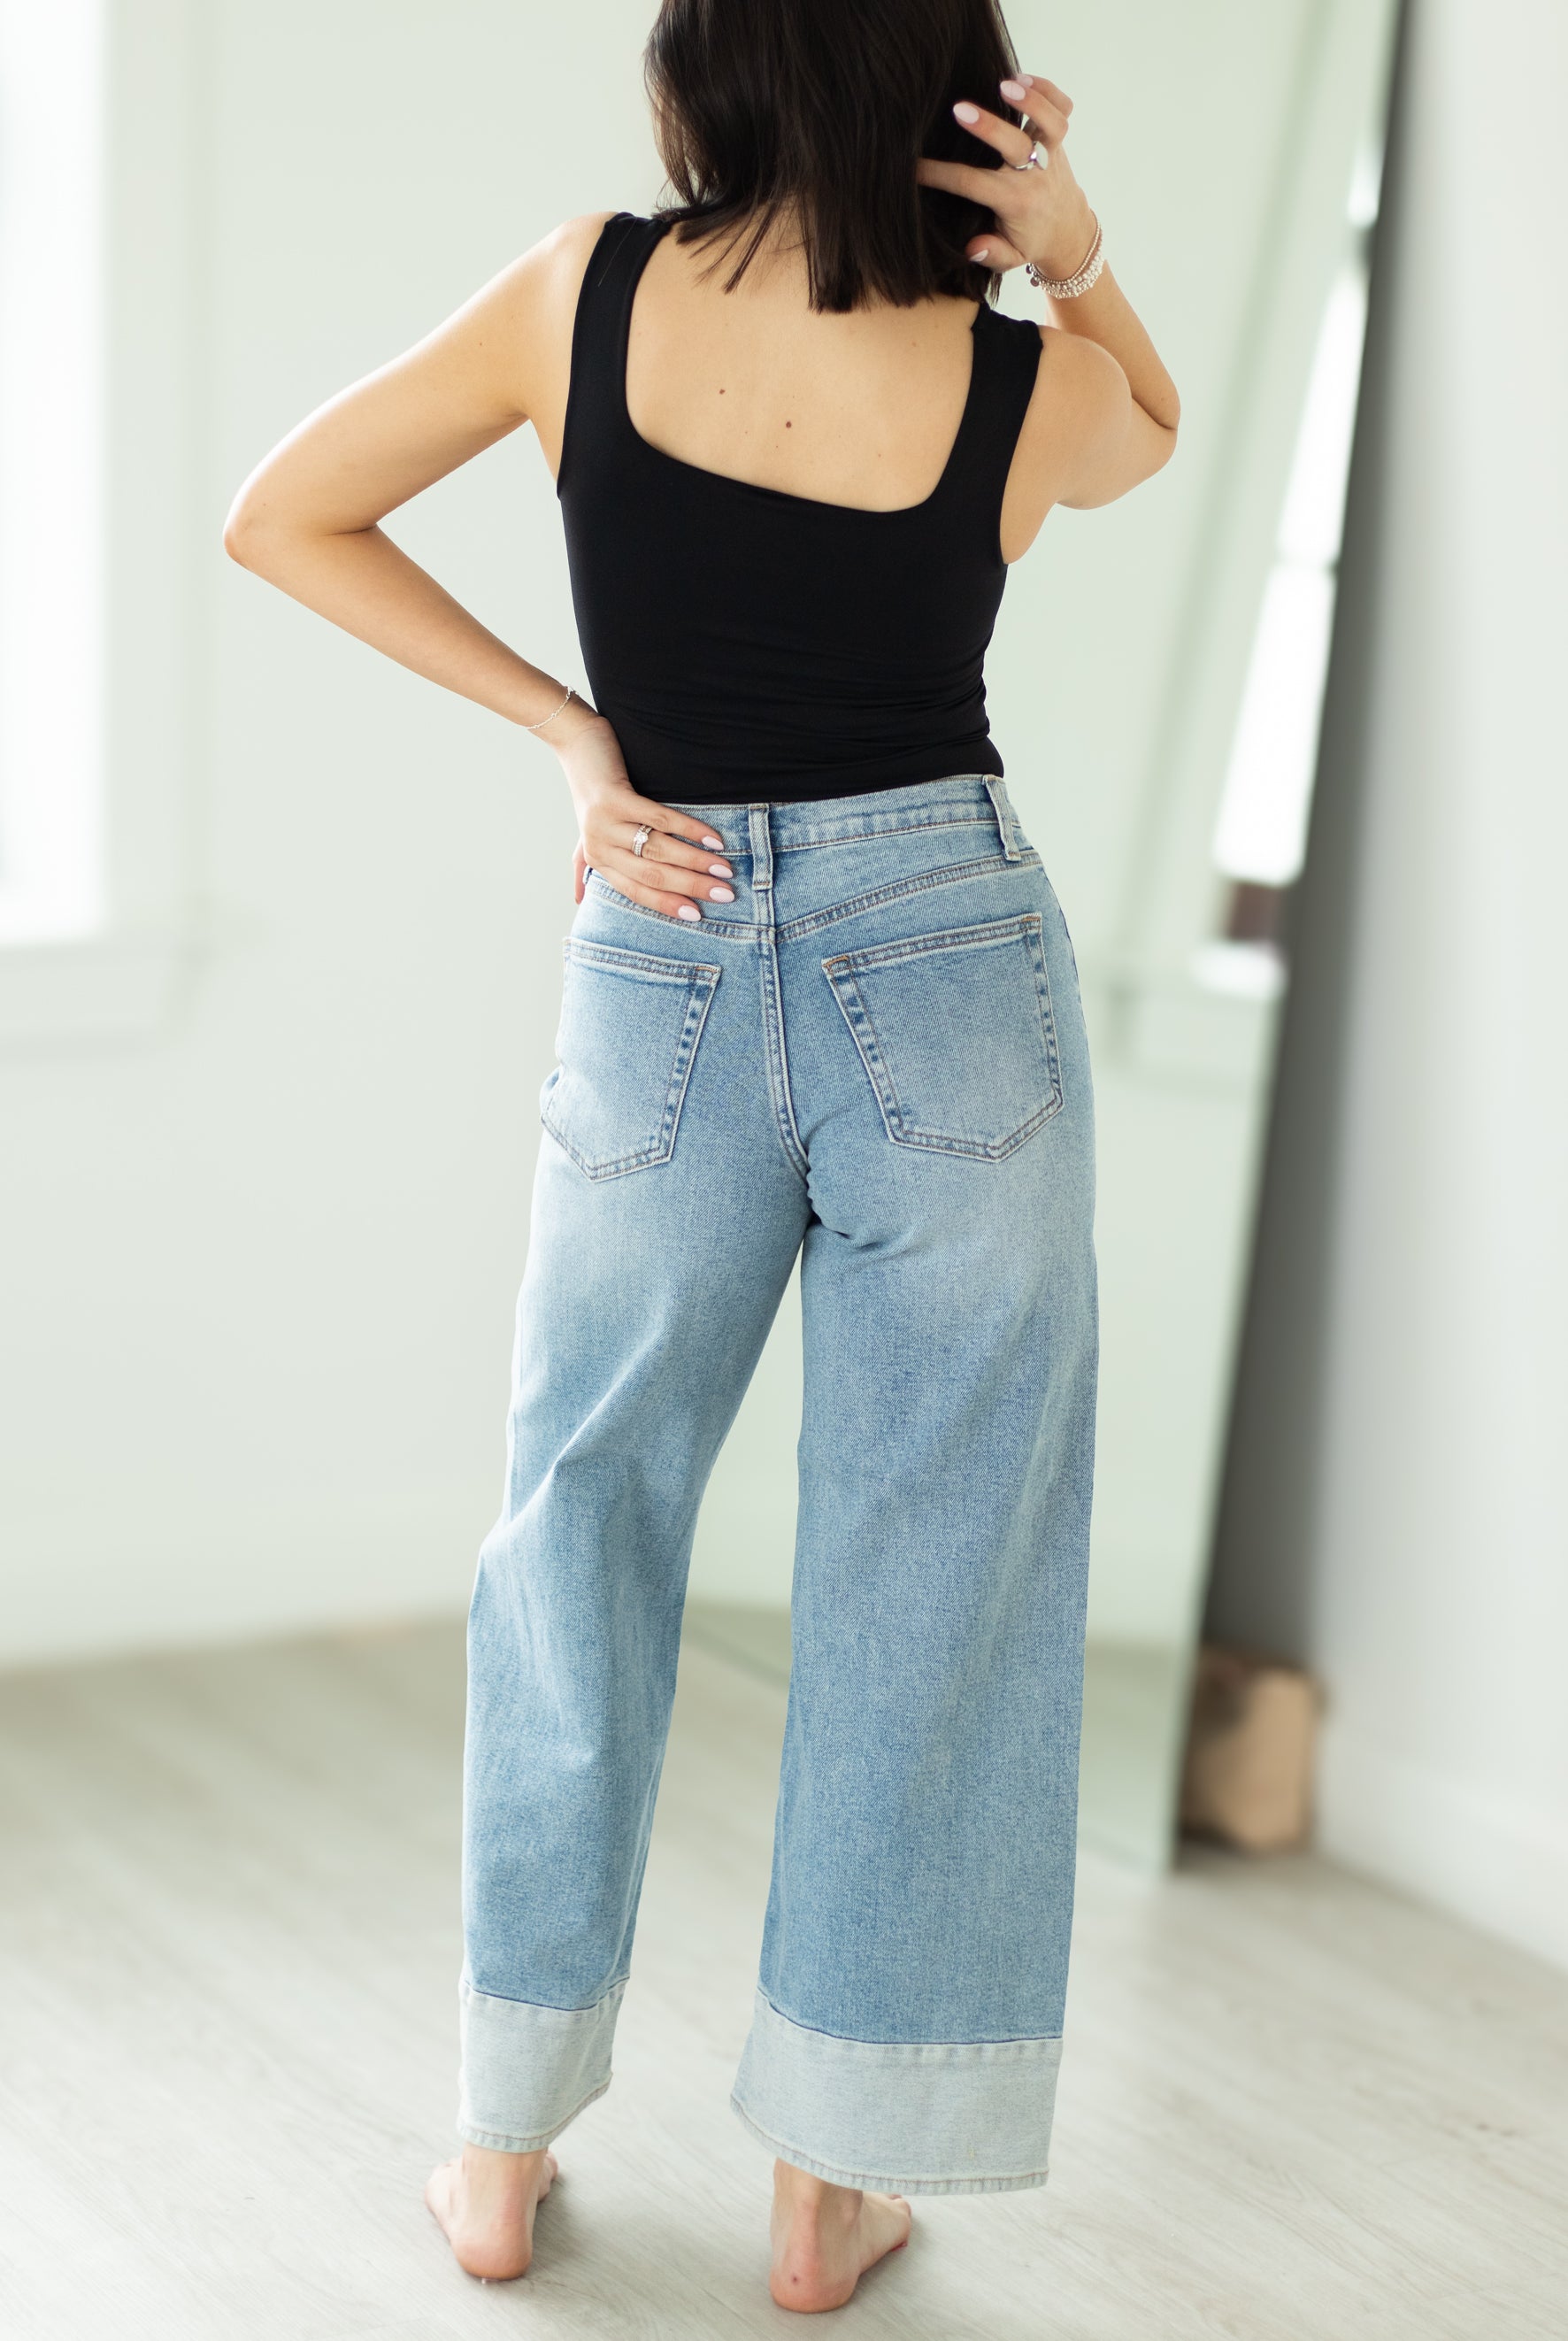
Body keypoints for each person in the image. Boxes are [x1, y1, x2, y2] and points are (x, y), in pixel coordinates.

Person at [224, 0, 1178, 2311]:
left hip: (660, 942)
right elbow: (1146, 438)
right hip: (948, 947)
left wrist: (577, 743)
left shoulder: (585, 286)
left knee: (574, 1527)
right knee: (931, 1569)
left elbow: (283, 512)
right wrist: (1079, 248)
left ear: (709, 73)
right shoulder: (998, 366)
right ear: (946, 97)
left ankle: (493, 2145)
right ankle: (827, 2183)